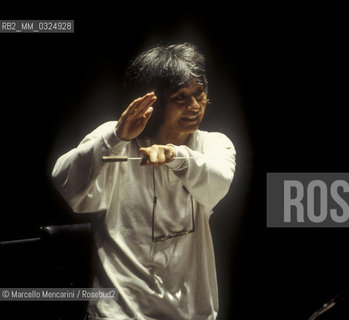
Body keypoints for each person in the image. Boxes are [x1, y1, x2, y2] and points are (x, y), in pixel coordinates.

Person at [52, 43, 236, 320]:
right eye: (180, 97)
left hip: (191, 312)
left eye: (199, 94)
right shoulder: (114, 140)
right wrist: (115, 138)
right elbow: (65, 182)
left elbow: (218, 181)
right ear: (155, 102)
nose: (195, 106)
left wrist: (175, 156)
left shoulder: (213, 144)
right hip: (121, 312)